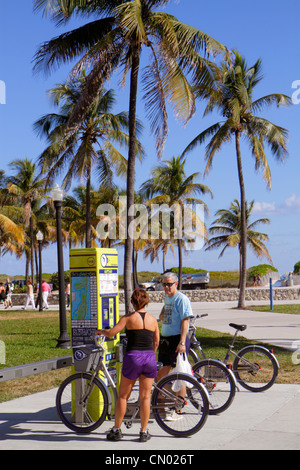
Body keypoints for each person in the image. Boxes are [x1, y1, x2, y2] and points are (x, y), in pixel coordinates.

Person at [95, 288, 159, 443]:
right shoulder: (153, 319)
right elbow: (156, 341)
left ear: (132, 302)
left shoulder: (128, 318)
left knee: (123, 396)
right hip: (149, 358)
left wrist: (100, 331)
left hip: (133, 358)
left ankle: (116, 430)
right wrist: (150, 353)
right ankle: (143, 432)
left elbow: (111, 333)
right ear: (147, 302)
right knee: (145, 397)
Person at [157, 272, 193, 382]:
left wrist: (182, 342)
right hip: (166, 340)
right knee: (162, 371)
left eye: (169, 284)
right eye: (164, 285)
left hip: (177, 339)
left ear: (176, 284)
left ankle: (181, 399)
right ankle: (161, 398)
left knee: (179, 373)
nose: (166, 287)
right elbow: (162, 314)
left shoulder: (181, 299)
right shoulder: (167, 298)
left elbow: (185, 321)